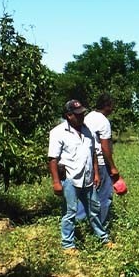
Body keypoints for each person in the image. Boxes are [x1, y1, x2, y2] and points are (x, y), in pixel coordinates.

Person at [48, 100, 111, 253]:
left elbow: (93, 153)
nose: (82, 116)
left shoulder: (87, 130)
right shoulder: (58, 132)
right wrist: (56, 182)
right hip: (70, 178)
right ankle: (68, 245)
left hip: (88, 178)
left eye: (82, 113)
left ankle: (103, 238)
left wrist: (96, 173)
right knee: (70, 212)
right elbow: (53, 159)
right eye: (78, 114)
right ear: (69, 115)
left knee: (94, 209)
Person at [75, 93, 120, 228]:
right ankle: (101, 228)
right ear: (107, 106)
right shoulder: (103, 121)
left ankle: (80, 224)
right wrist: (112, 167)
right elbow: (105, 147)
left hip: (88, 162)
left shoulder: (88, 117)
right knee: (105, 197)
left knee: (87, 195)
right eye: (112, 106)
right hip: (100, 163)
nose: (113, 109)